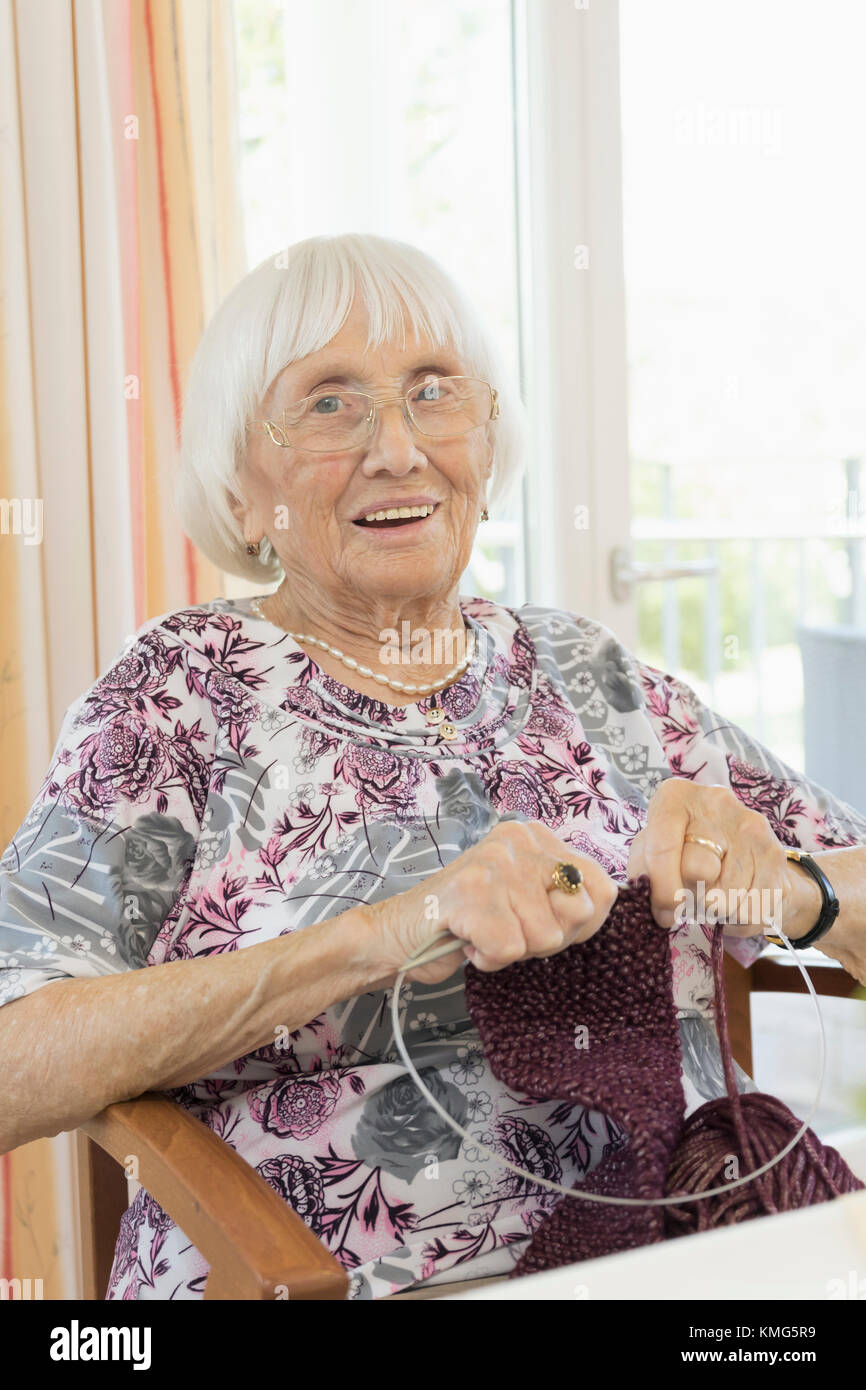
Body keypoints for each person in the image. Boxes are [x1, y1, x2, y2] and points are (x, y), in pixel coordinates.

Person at [2, 233, 865, 1302]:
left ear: (486, 444)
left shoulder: (588, 676)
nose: (397, 449)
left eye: (431, 391)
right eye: (329, 403)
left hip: (682, 1254)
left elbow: (843, 873)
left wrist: (790, 886)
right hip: (312, 1279)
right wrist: (385, 932)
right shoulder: (183, 692)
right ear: (238, 487)